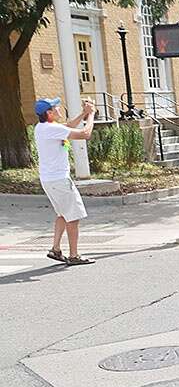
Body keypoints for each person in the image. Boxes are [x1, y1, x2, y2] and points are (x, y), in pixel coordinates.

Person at [33, 97, 95, 265]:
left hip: (49, 180)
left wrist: (83, 112)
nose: (60, 109)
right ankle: (74, 255)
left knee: (62, 214)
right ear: (49, 113)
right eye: (56, 107)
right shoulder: (51, 128)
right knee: (73, 217)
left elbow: (67, 127)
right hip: (59, 181)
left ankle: (56, 249)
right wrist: (91, 115)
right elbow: (85, 134)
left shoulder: (42, 127)